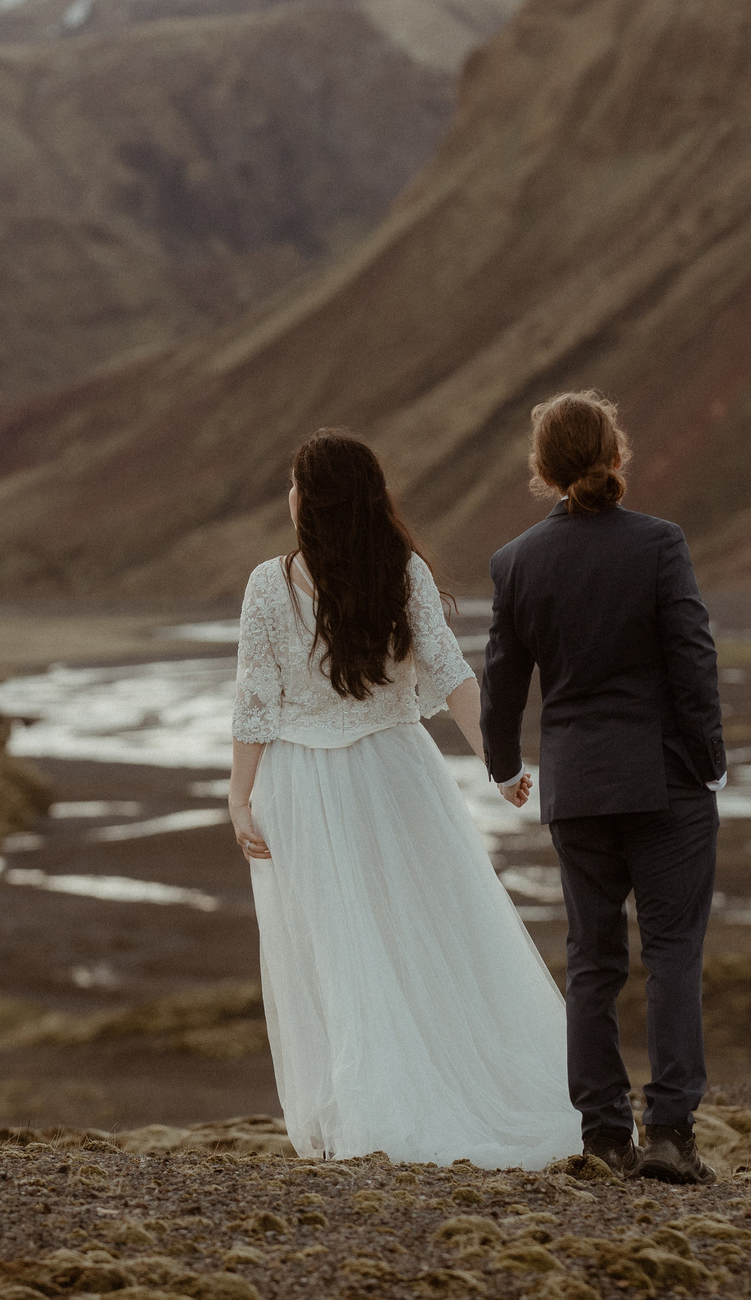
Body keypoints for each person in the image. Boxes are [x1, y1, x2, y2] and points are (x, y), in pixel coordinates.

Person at [226, 427, 581, 1168]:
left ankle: (369, 1106)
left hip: (304, 784)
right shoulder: (404, 570)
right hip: (397, 773)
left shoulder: (268, 583)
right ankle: (425, 1087)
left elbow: (255, 702)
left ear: (314, 500)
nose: (289, 497)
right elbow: (454, 676)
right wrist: (498, 760)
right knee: (424, 931)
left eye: (296, 485)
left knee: (336, 947)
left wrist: (240, 795)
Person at [481, 390, 727, 1185]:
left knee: (592, 963)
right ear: (615, 454)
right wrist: (709, 756)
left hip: (579, 788)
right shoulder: (660, 544)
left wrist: (504, 765)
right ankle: (670, 1135)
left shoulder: (517, 562)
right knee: (673, 955)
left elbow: (503, 684)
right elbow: (692, 658)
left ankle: (603, 1137)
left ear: (542, 469)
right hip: (666, 784)